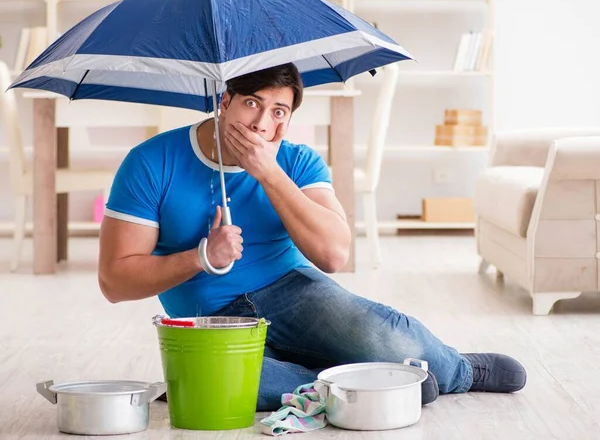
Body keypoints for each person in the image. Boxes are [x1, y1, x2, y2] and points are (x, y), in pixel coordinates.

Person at [98, 63, 526, 409]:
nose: (263, 123)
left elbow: (334, 254)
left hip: (292, 290)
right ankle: (370, 382)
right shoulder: (151, 162)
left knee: (387, 338)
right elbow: (115, 282)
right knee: (214, 381)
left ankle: (459, 371)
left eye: (279, 111)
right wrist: (201, 257)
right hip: (207, 319)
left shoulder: (297, 162)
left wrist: (268, 172)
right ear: (223, 101)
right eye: (251, 103)